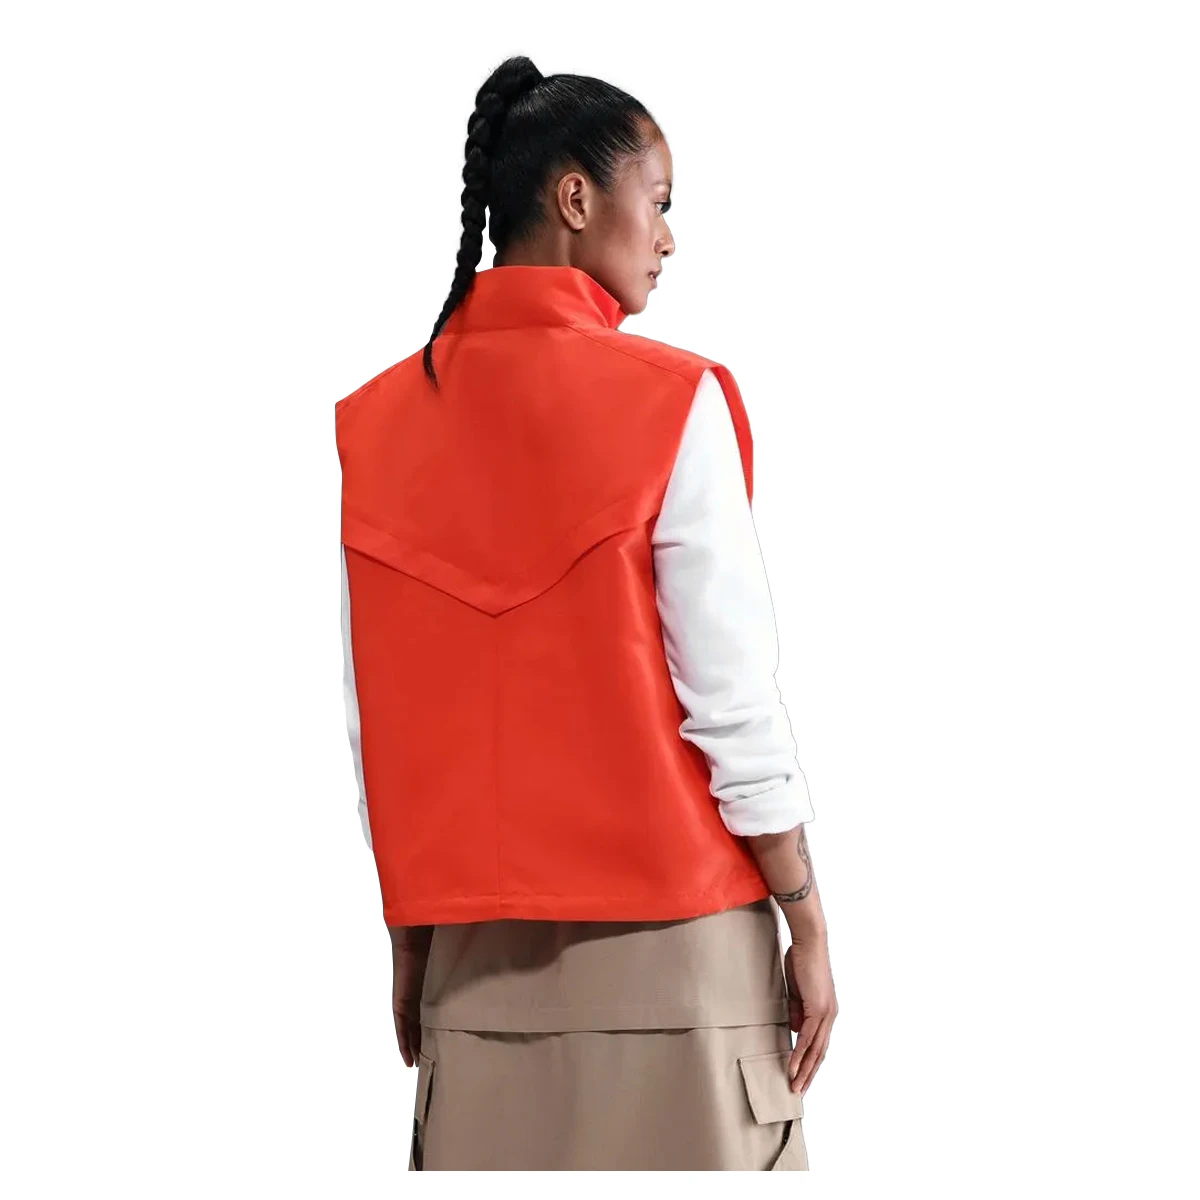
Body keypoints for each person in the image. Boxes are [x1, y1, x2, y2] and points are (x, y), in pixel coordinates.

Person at [335, 55, 838, 1171]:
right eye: (657, 201)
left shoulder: (375, 424)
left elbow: (385, 722)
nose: (668, 238)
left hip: (472, 971)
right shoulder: (674, 401)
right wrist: (804, 912)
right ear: (575, 197)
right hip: (685, 966)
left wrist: (411, 936)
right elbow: (731, 700)